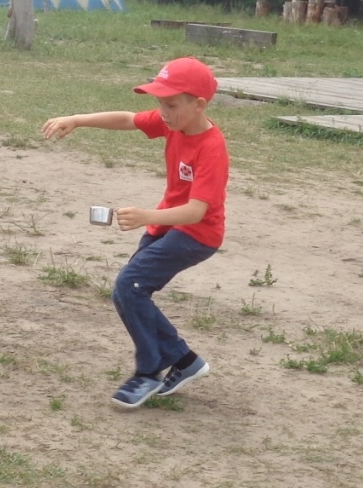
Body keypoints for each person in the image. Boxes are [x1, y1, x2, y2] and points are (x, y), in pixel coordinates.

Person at [41, 56, 229, 409]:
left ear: (199, 104)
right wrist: (76, 120)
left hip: (196, 234)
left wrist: (146, 216)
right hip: (168, 226)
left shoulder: (211, 147)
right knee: (129, 291)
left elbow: (197, 211)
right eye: (160, 103)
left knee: (130, 286)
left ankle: (149, 371)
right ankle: (185, 360)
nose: (163, 112)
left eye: (171, 105)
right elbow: (128, 119)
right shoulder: (174, 123)